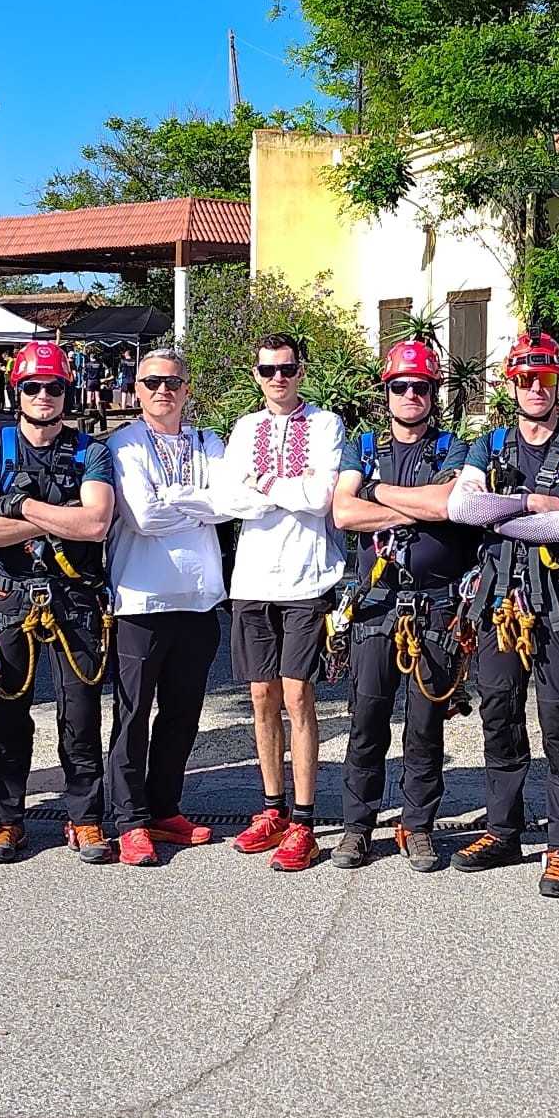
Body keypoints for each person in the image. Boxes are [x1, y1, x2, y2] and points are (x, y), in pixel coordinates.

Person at [445, 331, 559, 898]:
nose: (536, 388)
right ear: (511, 384)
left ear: (558, 382)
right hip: (498, 602)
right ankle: (503, 830)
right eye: (525, 378)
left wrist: (497, 517)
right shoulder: (488, 445)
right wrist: (527, 503)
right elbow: (461, 508)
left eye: (545, 378)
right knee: (498, 712)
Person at [0, 341, 116, 865]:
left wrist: (22, 506)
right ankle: (7, 821)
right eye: (32, 386)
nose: (43, 395)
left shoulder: (91, 451)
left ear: (67, 392)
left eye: (54, 387)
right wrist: (55, 517)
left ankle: (86, 817)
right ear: (17, 392)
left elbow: (95, 524)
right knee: (9, 714)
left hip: (76, 598)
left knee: (80, 713)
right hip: (11, 597)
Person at [327, 340, 475, 872]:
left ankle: (418, 826)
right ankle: (357, 828)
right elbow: (344, 513)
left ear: (433, 394)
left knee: (425, 726)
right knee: (366, 721)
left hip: (435, 609)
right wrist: (417, 509)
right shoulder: (362, 447)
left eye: (421, 387)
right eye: (400, 387)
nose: (411, 395)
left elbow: (447, 505)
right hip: (375, 606)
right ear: (385, 393)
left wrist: (377, 493)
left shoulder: (455, 448)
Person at [221, 331, 346, 871]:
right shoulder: (244, 428)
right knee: (260, 696)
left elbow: (319, 498)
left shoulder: (325, 424)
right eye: (269, 369)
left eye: (288, 368)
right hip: (253, 579)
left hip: (305, 578)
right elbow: (228, 498)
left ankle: (304, 821)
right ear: (256, 375)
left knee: (298, 696)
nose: (278, 378)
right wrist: (284, 487)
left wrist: (263, 481)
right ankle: (271, 809)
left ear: (301, 371)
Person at [103, 346, 227, 863]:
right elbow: (142, 516)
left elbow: (230, 502)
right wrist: (198, 505)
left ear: (186, 390)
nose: (163, 391)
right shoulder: (124, 443)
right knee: (133, 714)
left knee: (182, 713)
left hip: (199, 599)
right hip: (141, 599)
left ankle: (163, 808)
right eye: (152, 382)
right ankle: (128, 819)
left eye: (172, 382)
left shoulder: (208, 441)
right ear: (136, 389)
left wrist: (174, 499)